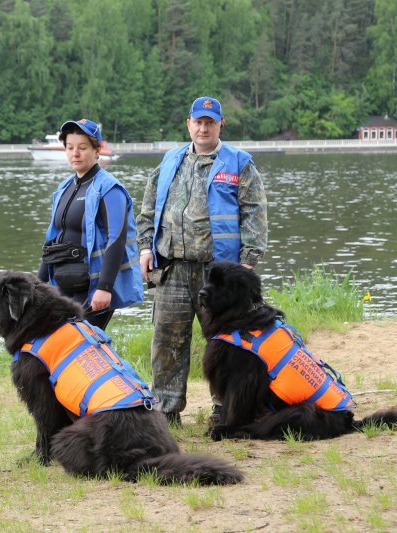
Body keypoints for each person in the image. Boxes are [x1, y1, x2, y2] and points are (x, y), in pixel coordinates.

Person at [136, 97, 268, 426]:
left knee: (226, 342)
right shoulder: (169, 161)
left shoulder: (239, 163)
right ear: (188, 123)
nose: (203, 127)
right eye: (198, 121)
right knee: (167, 341)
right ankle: (166, 412)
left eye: (210, 121)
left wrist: (248, 262)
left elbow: (254, 212)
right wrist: (144, 248)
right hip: (173, 267)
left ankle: (225, 408)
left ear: (221, 124)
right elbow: (147, 209)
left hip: (219, 274)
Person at [37, 119, 143, 330]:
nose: (75, 153)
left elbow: (117, 238)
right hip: (62, 284)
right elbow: (52, 239)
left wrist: (104, 287)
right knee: (59, 347)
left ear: (97, 150)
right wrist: (38, 285)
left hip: (93, 289)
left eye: (82, 148)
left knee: (82, 347)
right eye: (70, 147)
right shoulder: (64, 188)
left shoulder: (109, 188)